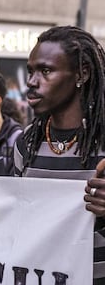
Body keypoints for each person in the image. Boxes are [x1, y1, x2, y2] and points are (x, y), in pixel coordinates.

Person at [13, 25, 105, 284]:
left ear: (82, 74)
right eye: (31, 71)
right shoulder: (26, 144)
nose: (32, 81)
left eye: (46, 71)